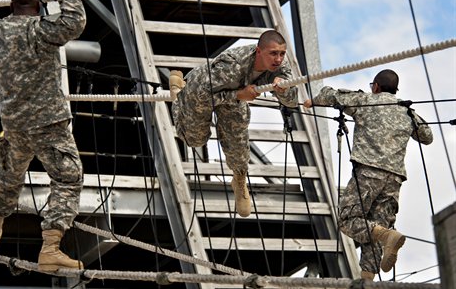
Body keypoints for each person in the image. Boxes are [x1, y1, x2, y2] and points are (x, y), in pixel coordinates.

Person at [0, 0, 86, 272]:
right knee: (68, 177)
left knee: (8, 177)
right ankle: (50, 249)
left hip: (14, 122)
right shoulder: (41, 30)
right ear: (39, 5)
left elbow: (16, 24)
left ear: (12, 5)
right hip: (47, 122)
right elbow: (74, 22)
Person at [303, 69, 433, 281]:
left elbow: (330, 95)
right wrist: (409, 114)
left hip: (368, 174)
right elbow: (427, 136)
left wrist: (312, 102)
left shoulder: (366, 101)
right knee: (375, 225)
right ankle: (367, 280)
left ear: (376, 87)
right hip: (394, 179)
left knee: (347, 219)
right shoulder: (407, 112)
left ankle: (387, 236)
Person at [170, 30, 298, 217]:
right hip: (203, 88)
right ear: (259, 51)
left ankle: (239, 180)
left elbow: (293, 101)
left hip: (236, 96)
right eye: (273, 53)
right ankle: (178, 93)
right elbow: (202, 96)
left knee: (238, 143)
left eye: (281, 53)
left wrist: (283, 90)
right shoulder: (232, 66)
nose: (278, 59)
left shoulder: (280, 67)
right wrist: (239, 95)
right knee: (195, 140)